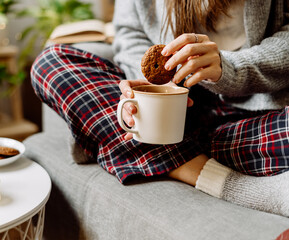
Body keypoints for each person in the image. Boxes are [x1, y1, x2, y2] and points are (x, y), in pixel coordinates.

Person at [31, 0, 289, 217]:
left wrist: (231, 67)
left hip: (252, 113)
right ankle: (220, 180)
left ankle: (118, 141)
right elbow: (130, 33)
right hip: (165, 109)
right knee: (50, 63)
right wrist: (146, 97)